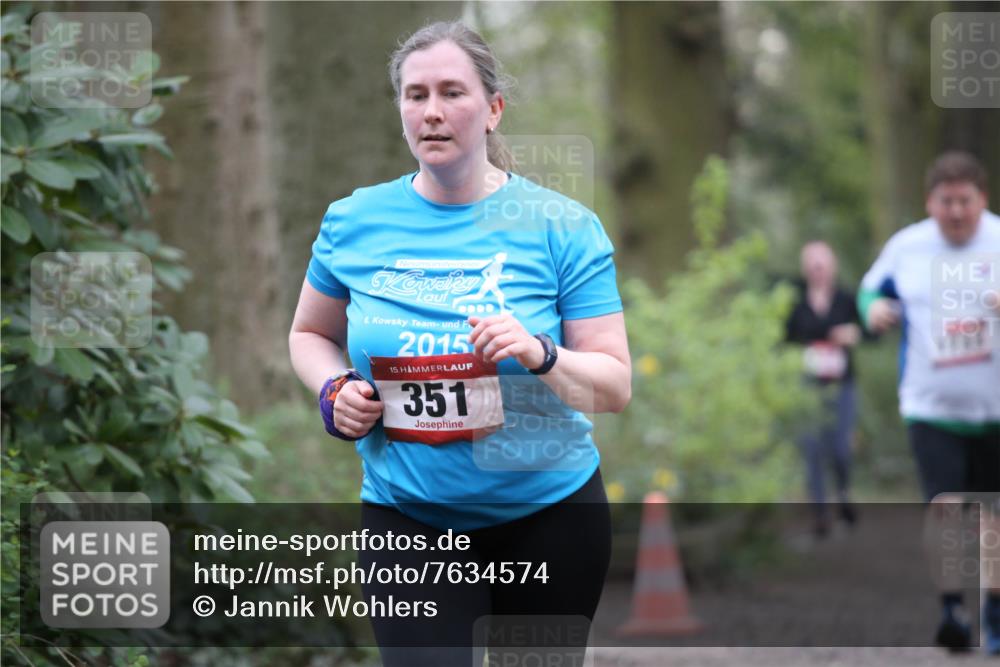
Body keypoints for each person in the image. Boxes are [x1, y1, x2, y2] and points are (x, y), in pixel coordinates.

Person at [288, 21, 631, 667]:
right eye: (415, 95)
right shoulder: (353, 221)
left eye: (452, 92)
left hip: (549, 516)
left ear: (493, 108)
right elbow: (310, 334)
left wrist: (541, 353)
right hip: (409, 520)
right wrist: (334, 388)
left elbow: (614, 386)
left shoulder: (562, 226)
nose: (432, 112)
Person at [858, 151, 1000, 654]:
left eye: (965, 201)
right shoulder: (908, 246)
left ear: (983, 199)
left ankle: (994, 609)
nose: (956, 212)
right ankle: (951, 609)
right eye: (946, 201)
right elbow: (869, 291)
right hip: (931, 404)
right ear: (929, 202)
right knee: (945, 508)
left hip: (995, 410)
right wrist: (874, 310)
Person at [785, 241, 862, 538]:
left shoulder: (846, 299)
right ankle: (819, 513)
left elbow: (869, 330)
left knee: (840, 448)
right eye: (813, 263)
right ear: (805, 268)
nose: (818, 269)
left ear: (833, 266)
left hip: (841, 385)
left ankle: (843, 496)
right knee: (812, 448)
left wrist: (853, 333)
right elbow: (783, 338)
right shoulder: (794, 302)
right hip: (807, 386)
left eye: (822, 263)